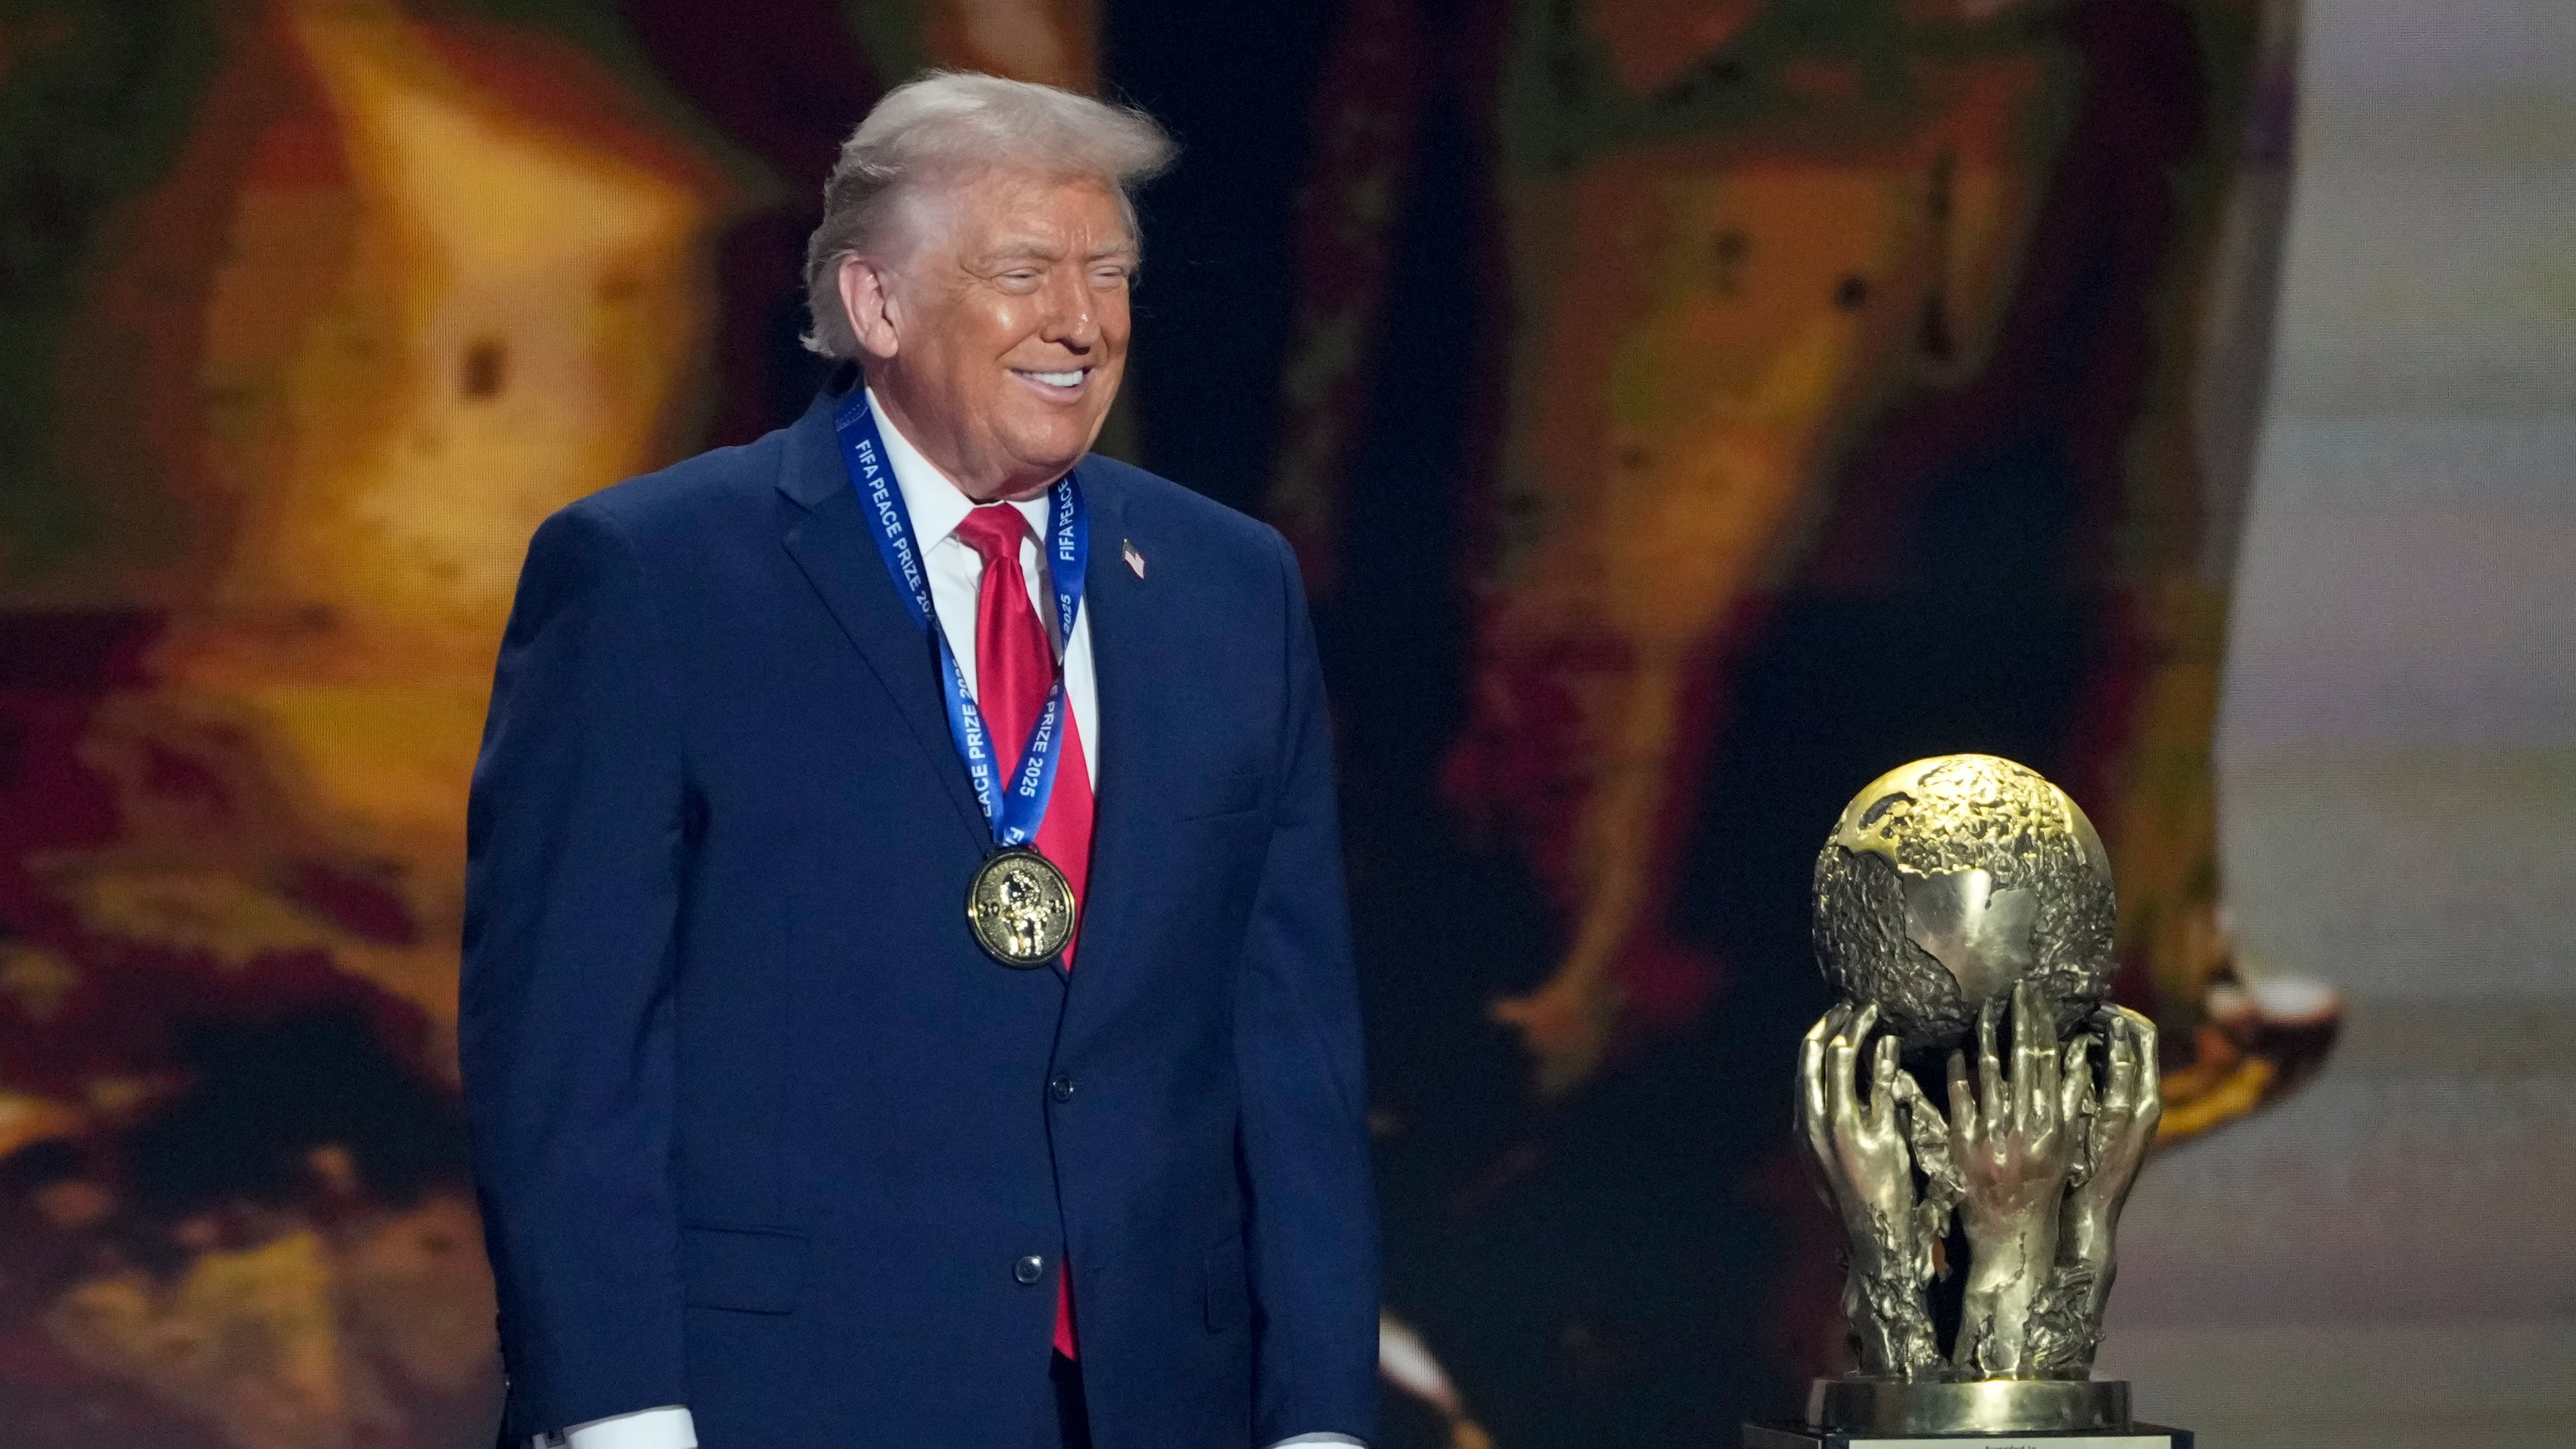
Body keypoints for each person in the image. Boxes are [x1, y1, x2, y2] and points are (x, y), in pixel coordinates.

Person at [460, 72, 1378, 1449]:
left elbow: (1290, 1048)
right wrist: (618, 1412)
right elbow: (570, 1050)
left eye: (1110, 273)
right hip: (778, 1401)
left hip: (1152, 1400)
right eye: (1025, 273)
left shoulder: (1227, 587)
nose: (1083, 321)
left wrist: (1320, 1418)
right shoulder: (655, 575)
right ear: (878, 305)